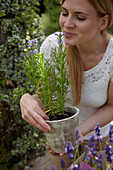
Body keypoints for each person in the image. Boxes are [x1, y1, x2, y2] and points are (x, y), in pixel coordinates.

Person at [20, 0, 113, 169]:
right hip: (61, 143)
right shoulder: (53, 46)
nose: (67, 24)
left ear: (103, 22)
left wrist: (79, 131)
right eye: (64, 13)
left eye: (80, 17)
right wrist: (27, 99)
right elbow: (44, 96)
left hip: (101, 141)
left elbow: (112, 106)